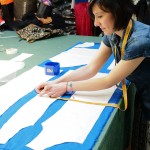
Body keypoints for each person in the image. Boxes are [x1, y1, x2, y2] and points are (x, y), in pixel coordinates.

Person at [35, 0, 150, 149]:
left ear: (118, 12)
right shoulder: (114, 32)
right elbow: (91, 68)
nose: (96, 23)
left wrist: (66, 87)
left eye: (100, 16)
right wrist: (56, 82)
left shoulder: (140, 40)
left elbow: (108, 80)